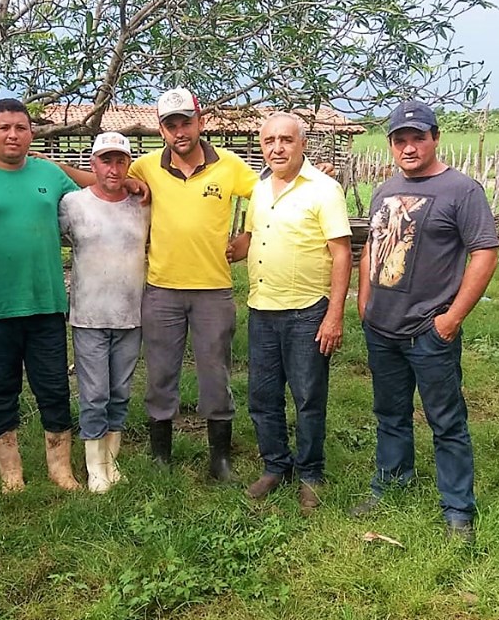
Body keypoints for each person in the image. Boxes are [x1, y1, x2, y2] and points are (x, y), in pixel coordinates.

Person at [352, 100, 499, 542]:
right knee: (390, 413)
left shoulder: (461, 190)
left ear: (435, 138)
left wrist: (451, 318)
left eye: (418, 137)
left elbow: (485, 252)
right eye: (401, 139)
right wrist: (364, 302)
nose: (409, 146)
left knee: (446, 420)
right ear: (391, 145)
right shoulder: (384, 191)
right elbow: (371, 250)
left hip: (430, 330)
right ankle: (391, 482)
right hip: (382, 327)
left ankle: (457, 509)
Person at [0, 98, 99, 493]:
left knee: (53, 387)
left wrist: (124, 181)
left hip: (45, 303)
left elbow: (94, 188)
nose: (13, 134)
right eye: (5, 127)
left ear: (31, 133)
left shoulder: (48, 173)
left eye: (21, 128)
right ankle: (11, 472)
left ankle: (60, 469)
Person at [128, 87, 258, 481]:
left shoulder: (230, 165)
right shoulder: (145, 167)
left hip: (213, 290)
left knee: (215, 372)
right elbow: (110, 182)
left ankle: (219, 459)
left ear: (201, 122)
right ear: (161, 130)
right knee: (160, 373)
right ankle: (160, 458)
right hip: (162, 289)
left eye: (186, 122)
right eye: (171, 125)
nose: (180, 131)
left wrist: (248, 236)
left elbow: (266, 195)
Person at [228, 112, 352, 513]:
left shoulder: (324, 189)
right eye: (269, 141)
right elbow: (257, 235)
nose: (277, 148)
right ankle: (274, 465)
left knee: (308, 398)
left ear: (302, 144)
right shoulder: (260, 189)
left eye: (286, 140)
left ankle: (311, 474)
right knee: (262, 397)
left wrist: (334, 315)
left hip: (306, 312)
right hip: (262, 310)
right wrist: (236, 248)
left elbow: (341, 253)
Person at [59, 132, 150, 493]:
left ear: (128, 164)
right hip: (89, 316)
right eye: (105, 161)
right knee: (94, 393)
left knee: (120, 392)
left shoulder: (141, 204)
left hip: (131, 314)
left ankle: (111, 463)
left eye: (120, 161)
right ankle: (94, 467)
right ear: (92, 164)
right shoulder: (72, 204)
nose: (113, 169)